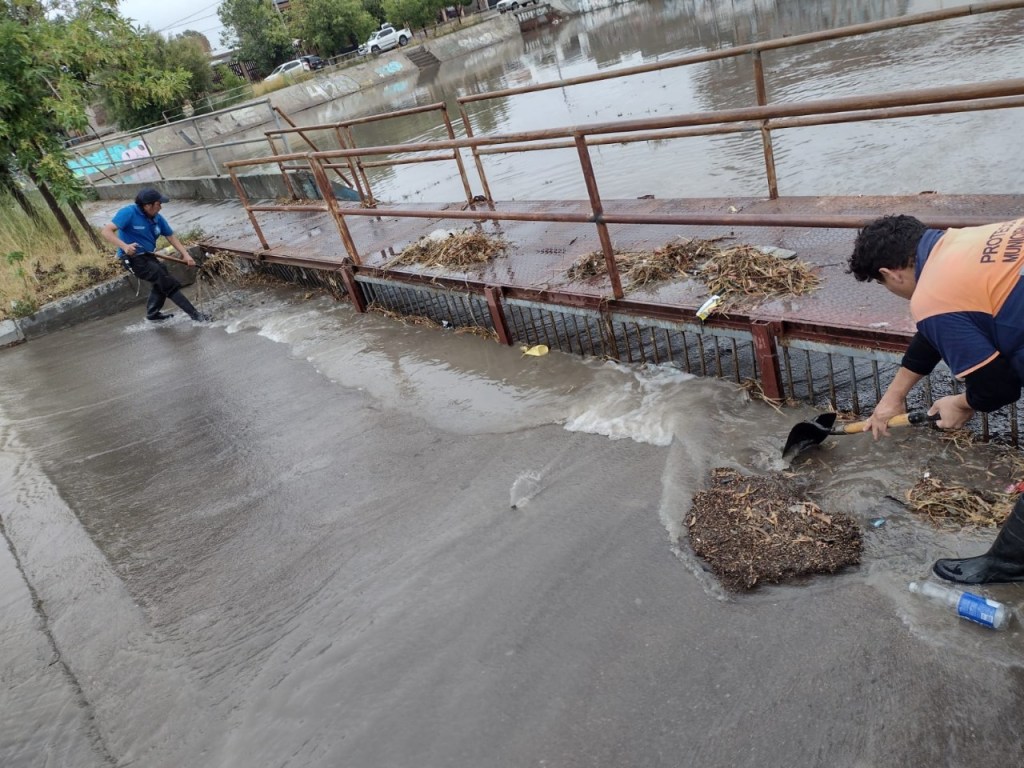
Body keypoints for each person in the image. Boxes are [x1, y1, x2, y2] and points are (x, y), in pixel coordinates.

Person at [847, 214, 1024, 584]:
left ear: (891, 273)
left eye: (883, 285)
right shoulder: (966, 240)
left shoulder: (933, 296)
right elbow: (933, 332)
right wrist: (893, 398)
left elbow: (998, 388)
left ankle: (1009, 564)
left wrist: (961, 404)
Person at [100, 187, 211, 322]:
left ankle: (153, 314)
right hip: (132, 258)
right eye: (158, 204)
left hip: (148, 256)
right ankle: (195, 315)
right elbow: (106, 231)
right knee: (167, 283)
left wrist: (186, 255)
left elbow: (170, 236)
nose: (160, 207)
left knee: (161, 280)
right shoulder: (128, 213)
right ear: (148, 206)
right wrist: (125, 246)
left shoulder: (157, 218)